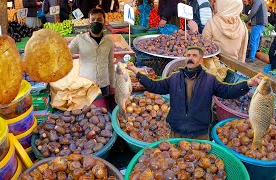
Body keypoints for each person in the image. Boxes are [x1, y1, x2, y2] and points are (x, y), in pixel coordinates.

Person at [127, 46, 263, 139]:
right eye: (188, 56)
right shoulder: (174, 78)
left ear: (200, 60)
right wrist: (136, 72)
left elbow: (228, 91)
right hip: (176, 131)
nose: (190, 58)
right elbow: (155, 86)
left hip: (200, 133)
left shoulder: (210, 80)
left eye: (194, 55)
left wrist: (249, 83)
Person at [68, 8, 114, 96]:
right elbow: (67, 52)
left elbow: (110, 64)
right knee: (87, 109)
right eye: (93, 19)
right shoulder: (79, 39)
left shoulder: (109, 41)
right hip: (86, 85)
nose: (96, 22)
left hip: (104, 85)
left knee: (103, 109)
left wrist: (112, 84)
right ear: (89, 22)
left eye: (99, 20)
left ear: (104, 22)